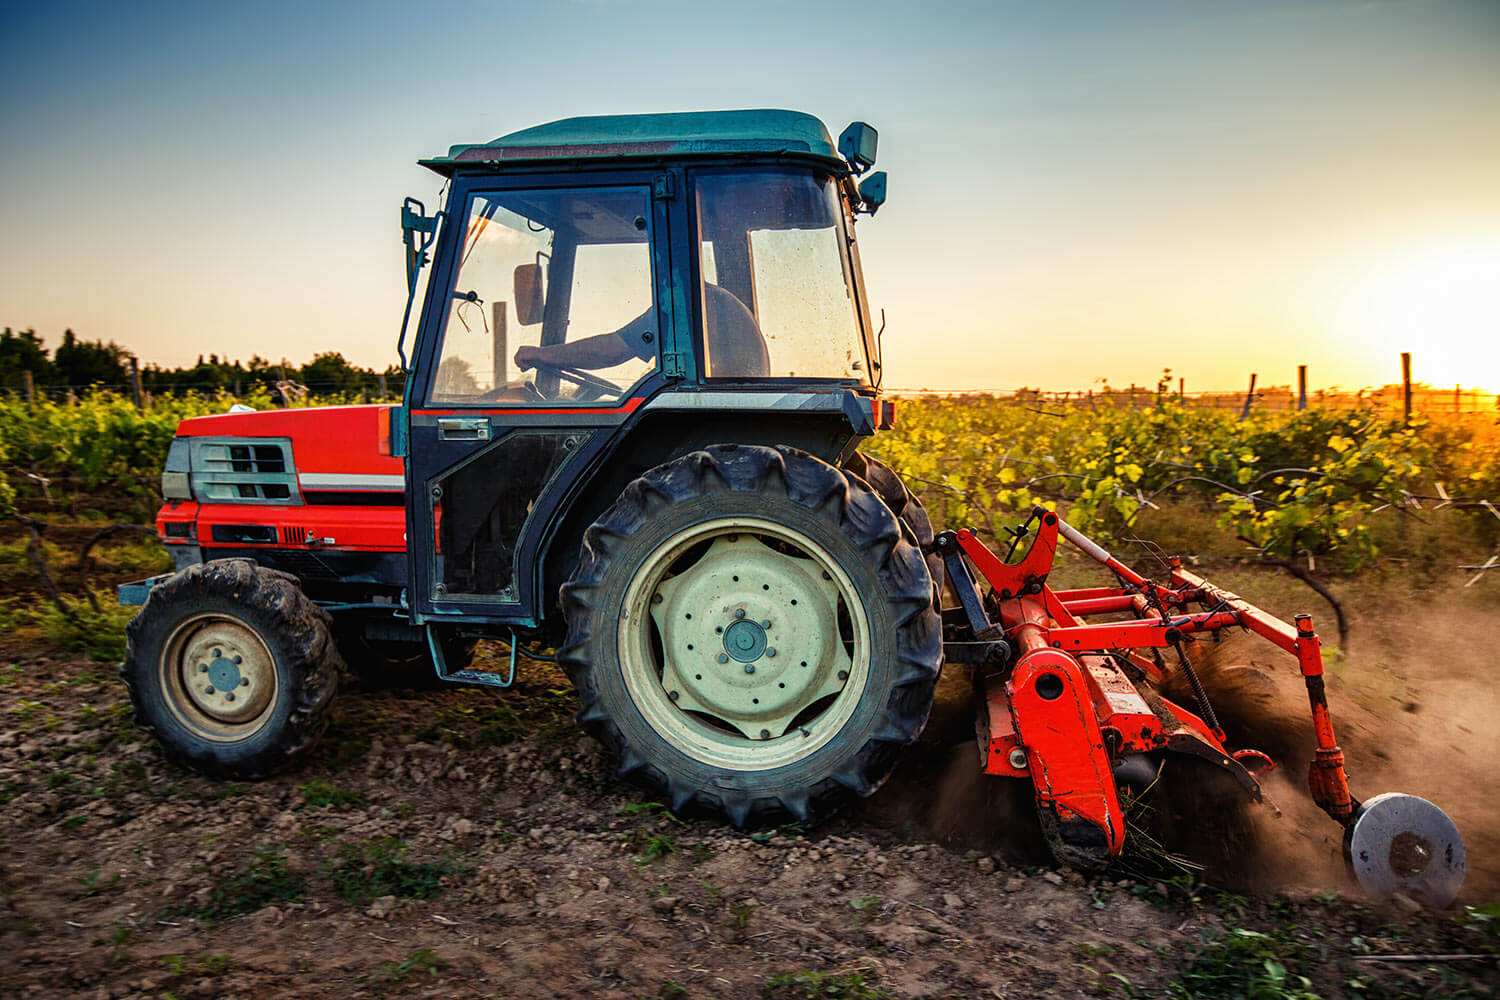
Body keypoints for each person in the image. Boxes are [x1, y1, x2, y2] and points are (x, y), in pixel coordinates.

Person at [515, 283, 768, 380]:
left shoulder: (686, 301)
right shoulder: (712, 300)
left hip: (712, 413)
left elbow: (608, 352)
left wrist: (540, 355)